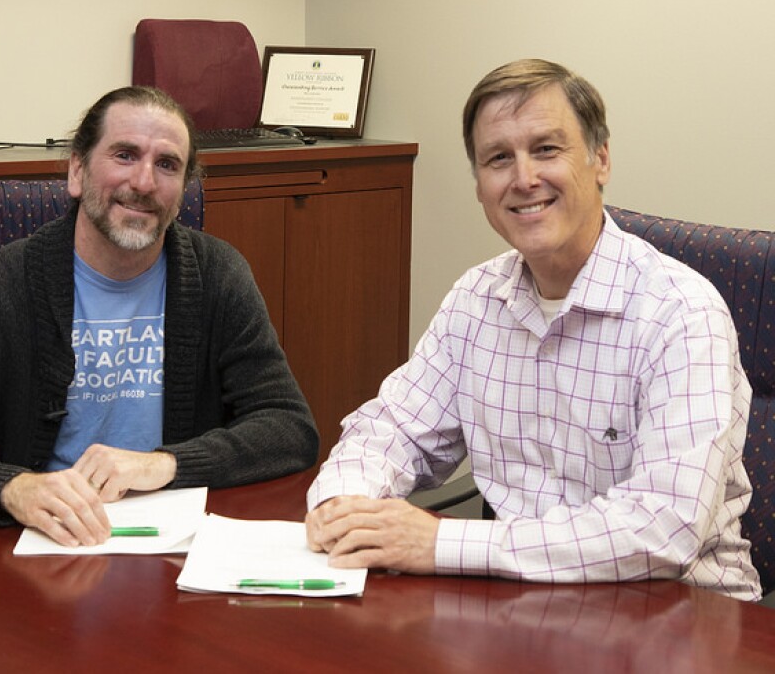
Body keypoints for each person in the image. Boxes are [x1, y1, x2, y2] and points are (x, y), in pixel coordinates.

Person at [305, 59, 761, 600]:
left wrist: (441, 543)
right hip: (522, 604)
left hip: (678, 614)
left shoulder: (681, 313)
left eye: (546, 149)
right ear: (479, 186)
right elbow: (393, 429)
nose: (524, 179)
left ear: (601, 160)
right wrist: (343, 504)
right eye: (499, 158)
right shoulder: (477, 299)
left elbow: (664, 528)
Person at [0, 86, 318, 547]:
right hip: (43, 547)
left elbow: (289, 428)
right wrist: (11, 488)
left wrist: (165, 464)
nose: (144, 182)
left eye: (167, 164)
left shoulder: (219, 275)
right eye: (124, 154)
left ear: (183, 191)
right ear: (77, 171)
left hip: (174, 546)